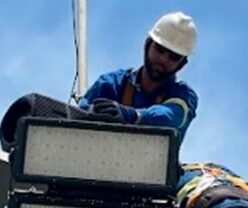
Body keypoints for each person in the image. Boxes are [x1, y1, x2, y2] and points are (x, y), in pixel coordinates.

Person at [79, 12, 199, 143]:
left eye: (174, 56)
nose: (163, 59)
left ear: (182, 64)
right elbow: (77, 117)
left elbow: (172, 116)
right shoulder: (112, 84)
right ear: (147, 44)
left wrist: (133, 116)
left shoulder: (183, 95)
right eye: (159, 49)